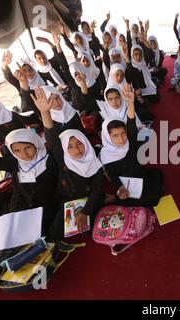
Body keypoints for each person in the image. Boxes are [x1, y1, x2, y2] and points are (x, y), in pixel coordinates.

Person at [31, 87, 105, 239]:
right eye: (51, 100)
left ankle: (103, 199)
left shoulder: (94, 164)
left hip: (88, 189)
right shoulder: (65, 161)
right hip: (71, 194)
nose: (56, 102)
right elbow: (53, 139)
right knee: (54, 232)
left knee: (89, 228)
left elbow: (81, 138)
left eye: (57, 98)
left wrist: (85, 212)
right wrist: (45, 112)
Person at [0, 123, 60, 237]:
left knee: (46, 233)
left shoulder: (50, 159)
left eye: (27, 148)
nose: (23, 154)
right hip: (22, 204)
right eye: (17, 151)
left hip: (48, 205)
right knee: (13, 234)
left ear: (36, 144)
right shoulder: (15, 162)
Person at [100, 84, 163, 207]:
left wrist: (130, 103)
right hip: (125, 184)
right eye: (115, 136)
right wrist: (120, 188)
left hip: (139, 176)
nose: (122, 139)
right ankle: (115, 197)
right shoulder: (106, 155)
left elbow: (131, 124)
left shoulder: (130, 142)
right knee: (140, 201)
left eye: (123, 133)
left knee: (157, 178)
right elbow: (112, 176)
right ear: (108, 137)